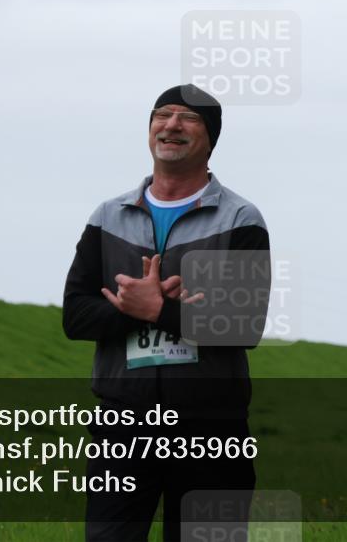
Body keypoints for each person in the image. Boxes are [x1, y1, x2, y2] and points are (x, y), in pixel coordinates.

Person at [63, 84, 271, 542]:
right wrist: (137, 311)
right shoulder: (107, 216)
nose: (171, 125)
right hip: (123, 425)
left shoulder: (240, 220)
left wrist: (159, 309)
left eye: (188, 118)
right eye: (162, 114)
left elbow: (244, 324)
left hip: (211, 426)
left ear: (210, 137)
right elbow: (75, 317)